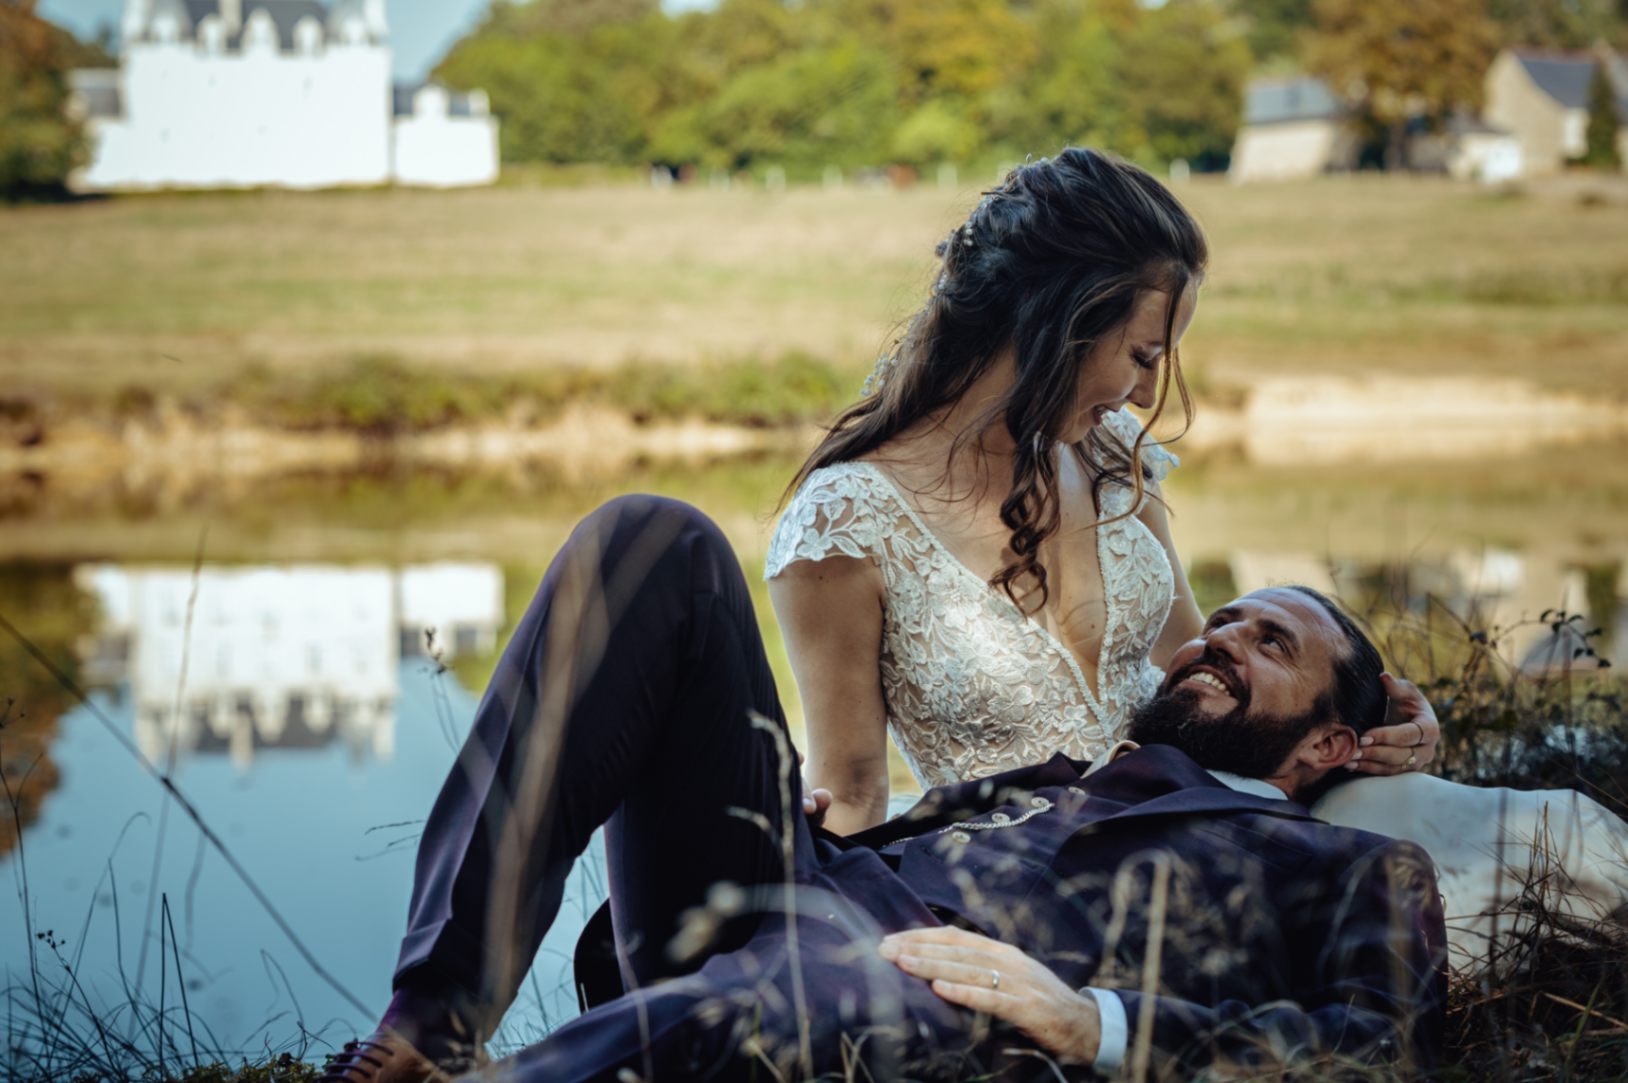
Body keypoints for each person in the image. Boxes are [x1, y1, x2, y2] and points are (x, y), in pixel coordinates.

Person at [318, 496, 1444, 1083]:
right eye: (1227, 619)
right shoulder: (1067, 776)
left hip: (934, 989)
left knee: (818, 988)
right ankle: (432, 1019)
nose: (1220, 638)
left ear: (1327, 743)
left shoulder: (1354, 868)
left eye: (1271, 643)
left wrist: (1083, 1021)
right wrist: (802, 819)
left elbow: (1373, 1051)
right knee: (654, 540)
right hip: (796, 884)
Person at [764, 148, 1440, 841]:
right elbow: (851, 787)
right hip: (1015, 880)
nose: (1147, 394)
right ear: (1061, 324)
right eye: (1143, 357)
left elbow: (1189, 657)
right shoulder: (846, 522)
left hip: (1192, 831)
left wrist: (1374, 728)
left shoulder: (1111, 450)